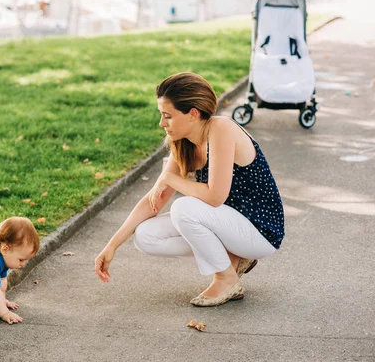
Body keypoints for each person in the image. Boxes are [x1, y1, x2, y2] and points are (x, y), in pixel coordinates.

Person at [94, 72, 284, 307]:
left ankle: (226, 278)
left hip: (260, 231)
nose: (162, 123)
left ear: (192, 114)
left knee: (184, 207)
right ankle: (231, 259)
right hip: (228, 225)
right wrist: (112, 245)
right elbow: (153, 201)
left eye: (168, 116)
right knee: (145, 236)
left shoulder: (221, 129)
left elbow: (215, 197)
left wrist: (171, 180)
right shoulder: (183, 144)